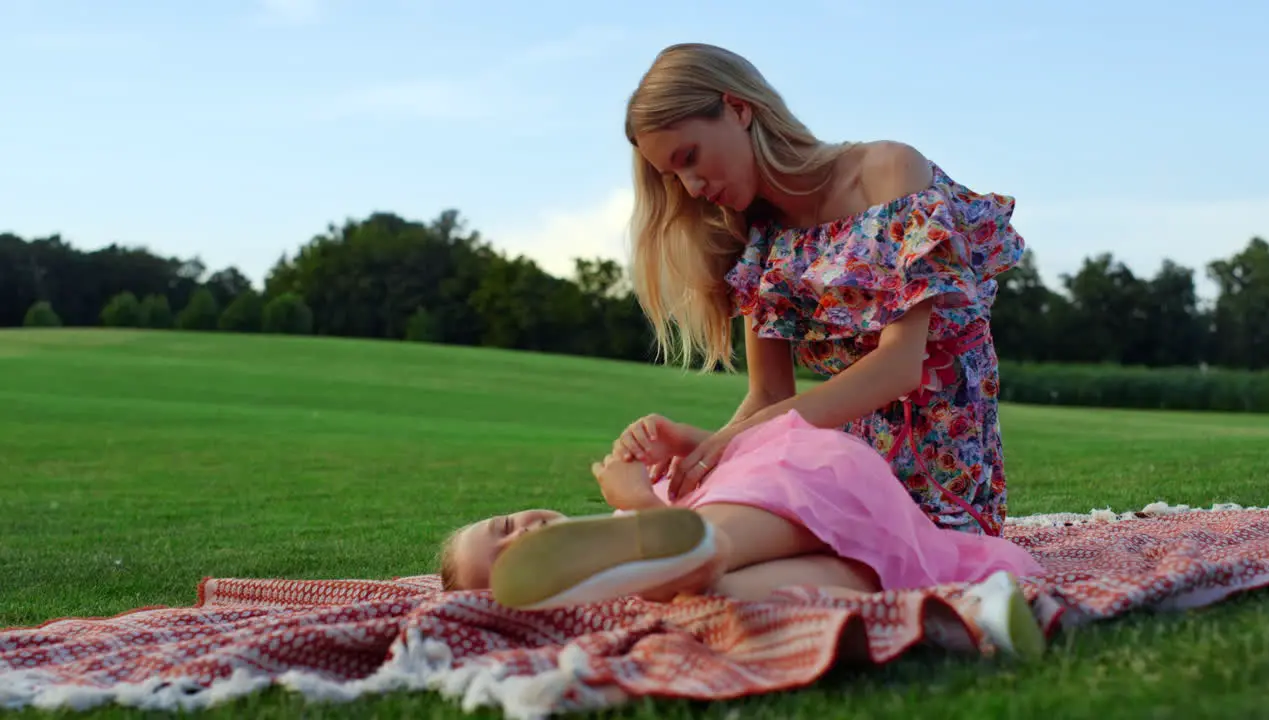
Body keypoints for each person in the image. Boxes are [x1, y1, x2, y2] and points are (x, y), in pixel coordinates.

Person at [613, 43, 1027, 538]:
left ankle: (670, 552)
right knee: (688, 510)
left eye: (690, 157)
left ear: (738, 108)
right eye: (674, 176)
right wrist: (704, 451)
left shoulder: (887, 173)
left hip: (940, 483)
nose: (693, 185)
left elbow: (900, 365)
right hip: (836, 472)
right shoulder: (762, 243)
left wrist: (733, 444)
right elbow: (768, 395)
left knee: (749, 546)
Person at [439, 410, 1047, 659]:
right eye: (508, 557)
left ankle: (684, 550)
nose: (519, 535)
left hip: (818, 481)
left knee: (704, 558)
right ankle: (968, 617)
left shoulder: (636, 495)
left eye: (504, 527)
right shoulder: (634, 605)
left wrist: (677, 452)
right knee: (719, 600)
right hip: (861, 553)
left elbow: (754, 469)